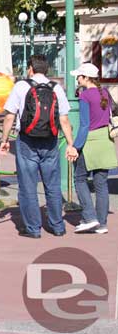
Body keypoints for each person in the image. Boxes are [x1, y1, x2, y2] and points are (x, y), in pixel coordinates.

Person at [0, 55, 78, 238]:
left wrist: (4, 140)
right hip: (50, 141)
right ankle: (57, 226)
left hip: (27, 141)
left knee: (28, 187)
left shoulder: (21, 86)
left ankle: (33, 229)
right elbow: (64, 119)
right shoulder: (56, 88)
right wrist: (70, 144)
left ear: (30, 69)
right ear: (47, 69)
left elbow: (9, 116)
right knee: (52, 186)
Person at [70, 63, 118, 234]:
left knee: (80, 178)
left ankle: (90, 217)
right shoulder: (104, 92)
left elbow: (84, 125)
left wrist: (75, 147)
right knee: (101, 183)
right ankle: (102, 223)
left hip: (89, 141)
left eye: (79, 76)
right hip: (105, 140)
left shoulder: (85, 96)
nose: (77, 79)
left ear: (85, 77)